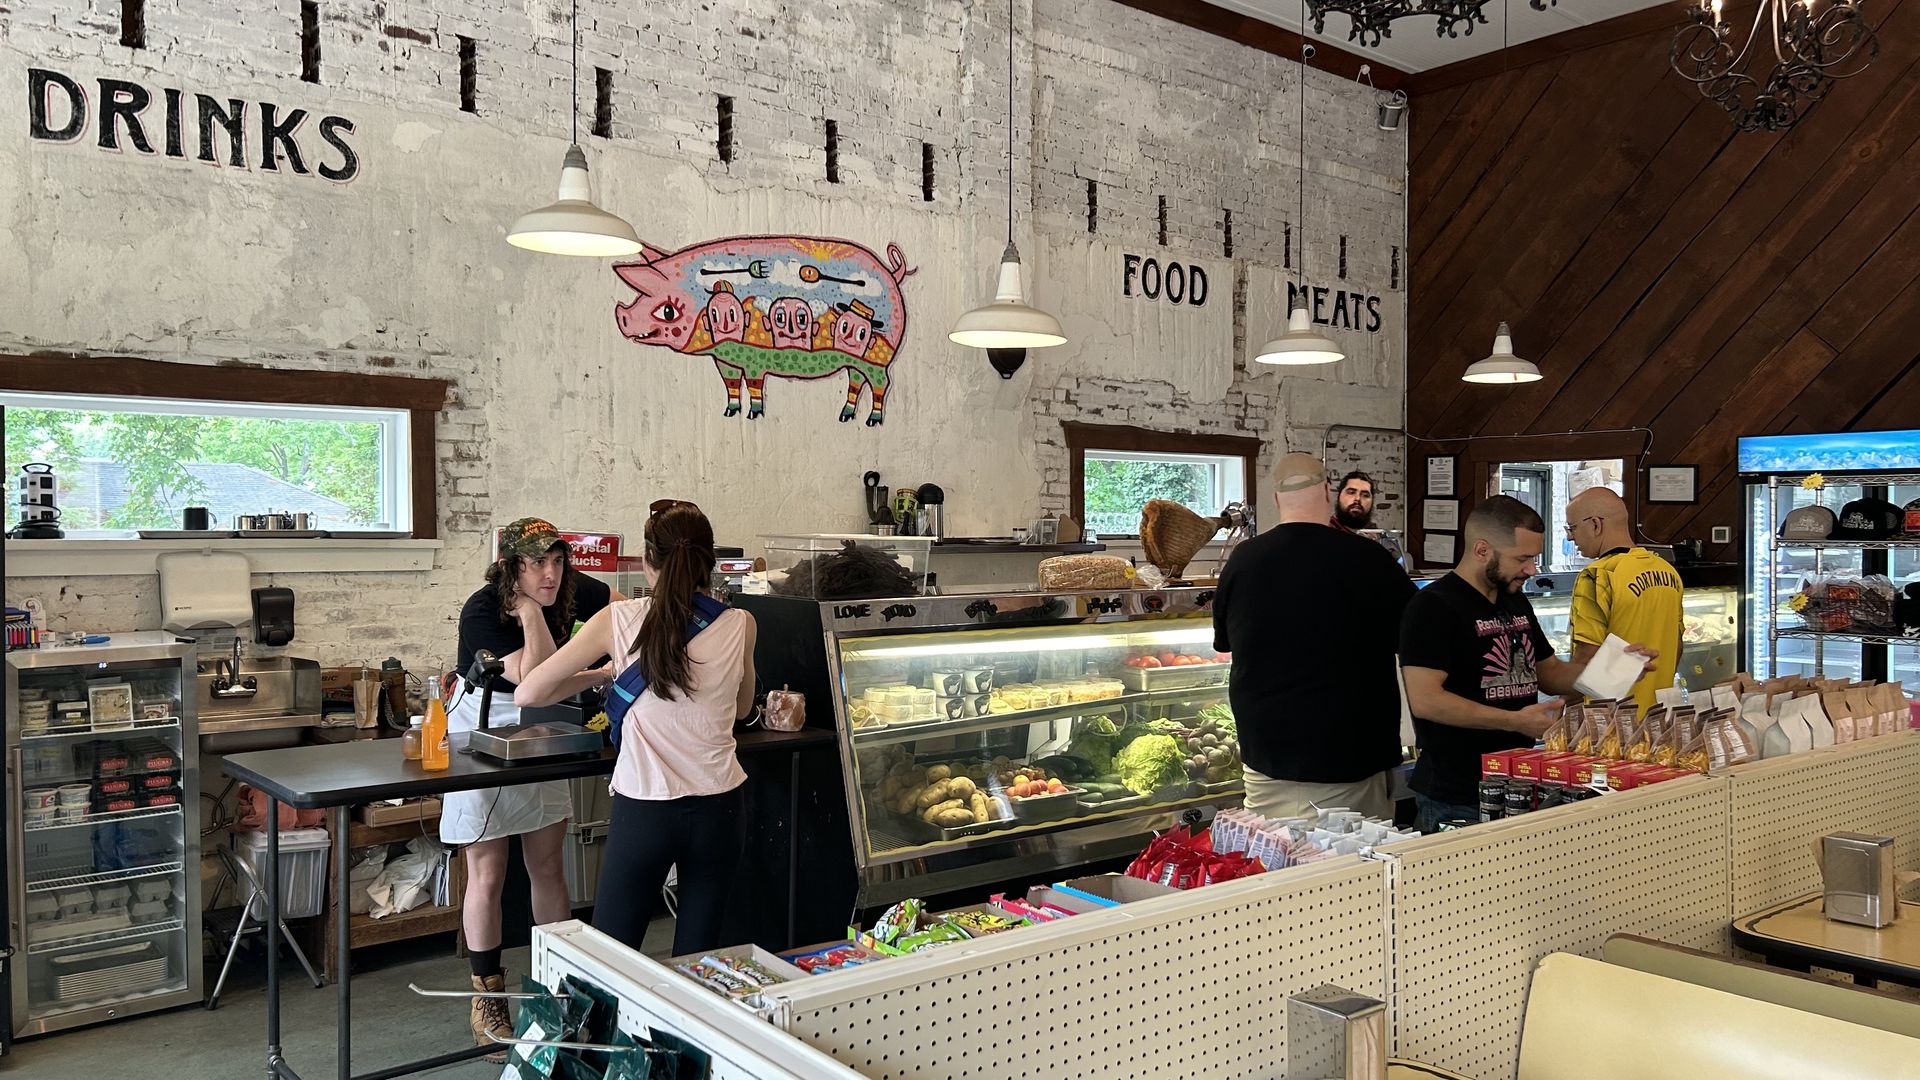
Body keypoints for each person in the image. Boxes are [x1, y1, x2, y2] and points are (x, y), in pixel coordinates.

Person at [517, 499, 755, 958]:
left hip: (646, 810)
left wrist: (604, 672)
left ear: (648, 562)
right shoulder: (741, 624)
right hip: (721, 808)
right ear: (709, 561)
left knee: (613, 955)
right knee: (699, 958)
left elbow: (529, 692)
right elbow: (743, 709)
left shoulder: (619, 620)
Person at [448, 517, 620, 1057]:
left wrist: (612, 663)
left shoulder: (571, 589)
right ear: (509, 567)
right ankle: (488, 998)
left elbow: (625, 612)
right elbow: (533, 675)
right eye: (536, 563)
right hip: (482, 727)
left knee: (548, 863)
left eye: (557, 561)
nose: (550, 574)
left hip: (542, 728)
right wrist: (529, 615)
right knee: (489, 870)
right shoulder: (482, 610)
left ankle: (558, 990)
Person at [1398, 496, 1654, 832]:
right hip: (1457, 793)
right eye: (1522, 558)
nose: (1531, 570)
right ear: (1481, 550)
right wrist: (1514, 721)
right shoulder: (1432, 606)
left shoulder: (1514, 600)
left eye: (1534, 558)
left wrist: (1614, 671)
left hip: (1520, 781)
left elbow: (1550, 674)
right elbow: (1426, 700)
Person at [1214, 453, 1416, 820]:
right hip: (1351, 757)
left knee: (1273, 853)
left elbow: (1226, 644)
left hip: (1266, 759)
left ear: (1276, 499)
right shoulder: (1370, 560)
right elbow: (1417, 639)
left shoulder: (1243, 560)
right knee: (1356, 857)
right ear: (1327, 492)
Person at [1565, 486, 1684, 718]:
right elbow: (1678, 646)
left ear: (1596, 524)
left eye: (1573, 527)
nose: (1570, 537)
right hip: (1659, 717)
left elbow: (1587, 655)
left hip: (1611, 721)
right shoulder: (1668, 571)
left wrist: (1564, 707)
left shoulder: (1598, 575)